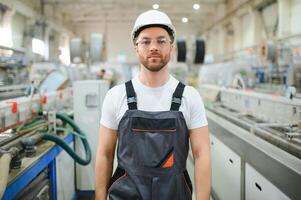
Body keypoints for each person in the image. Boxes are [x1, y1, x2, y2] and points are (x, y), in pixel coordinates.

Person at [95, 9, 211, 200]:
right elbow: (104, 155)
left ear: (171, 47)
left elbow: (202, 155)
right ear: (136, 47)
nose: (153, 47)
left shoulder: (190, 97)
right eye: (146, 41)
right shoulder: (116, 96)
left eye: (161, 40)